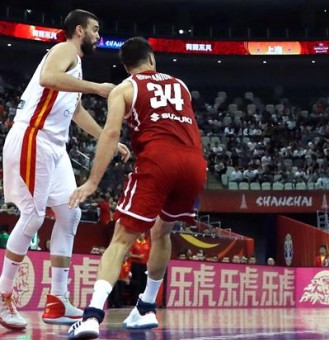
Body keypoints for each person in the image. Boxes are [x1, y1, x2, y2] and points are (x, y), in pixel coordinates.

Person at [67, 37, 206, 338]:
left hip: (159, 162)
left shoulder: (125, 88)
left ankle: (92, 315)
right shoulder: (180, 84)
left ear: (126, 67)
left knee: (120, 240)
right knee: (162, 231)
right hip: (194, 163)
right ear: (152, 59)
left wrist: (93, 181)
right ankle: (146, 307)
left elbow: (112, 132)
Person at [0, 9, 127, 330]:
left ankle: (57, 301)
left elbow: (76, 111)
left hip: (55, 147)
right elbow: (48, 78)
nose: (99, 36)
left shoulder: (76, 62)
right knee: (33, 215)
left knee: (69, 214)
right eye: (96, 30)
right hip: (33, 137)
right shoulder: (64, 49)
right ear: (80, 30)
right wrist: (98, 87)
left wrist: (108, 139)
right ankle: (3, 297)